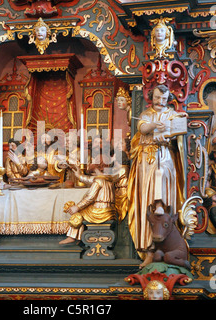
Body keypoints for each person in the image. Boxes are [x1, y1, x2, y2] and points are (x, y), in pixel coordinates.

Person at [127, 84, 186, 263]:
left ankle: (161, 204)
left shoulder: (172, 114)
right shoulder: (146, 114)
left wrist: (176, 126)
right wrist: (155, 125)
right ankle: (149, 251)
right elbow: (143, 129)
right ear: (151, 98)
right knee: (147, 196)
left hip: (165, 154)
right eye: (157, 98)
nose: (161, 102)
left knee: (162, 174)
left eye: (164, 99)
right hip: (146, 158)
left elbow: (178, 133)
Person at [59, 161, 116, 245]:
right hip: (109, 210)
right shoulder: (108, 180)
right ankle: (77, 237)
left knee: (79, 213)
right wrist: (79, 175)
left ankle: (72, 237)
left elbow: (90, 197)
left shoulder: (98, 181)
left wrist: (77, 207)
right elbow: (90, 180)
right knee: (83, 210)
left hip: (100, 211)